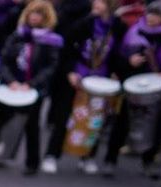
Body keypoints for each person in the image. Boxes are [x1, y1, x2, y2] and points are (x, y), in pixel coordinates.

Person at [41, 0, 125, 174]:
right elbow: (67, 46)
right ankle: (52, 155)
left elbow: (118, 53)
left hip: (101, 78)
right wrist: (69, 71)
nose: (96, 3)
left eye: (101, 1)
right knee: (64, 116)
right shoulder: (84, 21)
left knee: (96, 120)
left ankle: (88, 156)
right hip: (78, 74)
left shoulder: (118, 26)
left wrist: (116, 72)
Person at [102, 0, 161, 177]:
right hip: (132, 82)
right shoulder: (134, 30)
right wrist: (129, 62)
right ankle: (110, 160)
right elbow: (117, 56)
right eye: (150, 13)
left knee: (155, 124)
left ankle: (148, 161)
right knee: (122, 121)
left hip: (158, 86)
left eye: (157, 15)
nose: (151, 18)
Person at [0, 0, 62, 175]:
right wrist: (10, 81)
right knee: (1, 119)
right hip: (12, 85)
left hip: (33, 89)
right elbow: (4, 59)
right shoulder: (18, 35)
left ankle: (32, 162)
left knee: (31, 125)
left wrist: (31, 84)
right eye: (32, 13)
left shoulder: (50, 41)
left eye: (39, 14)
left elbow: (50, 67)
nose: (34, 17)